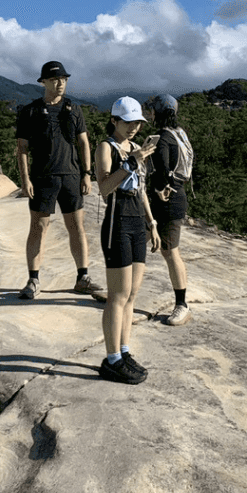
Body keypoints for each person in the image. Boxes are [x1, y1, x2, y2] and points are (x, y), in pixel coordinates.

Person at [15, 60, 104, 301]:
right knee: (38, 227)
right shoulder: (30, 111)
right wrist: (25, 180)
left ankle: (83, 278)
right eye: (54, 80)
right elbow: (22, 148)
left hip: (71, 176)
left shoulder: (74, 109)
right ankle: (33, 279)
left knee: (77, 227)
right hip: (42, 177)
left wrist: (87, 174)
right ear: (43, 82)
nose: (60, 83)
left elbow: (84, 142)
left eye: (63, 79)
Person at [94, 97, 160, 384]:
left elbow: (141, 189)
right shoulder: (106, 147)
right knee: (118, 296)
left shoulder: (135, 148)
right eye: (128, 122)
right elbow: (104, 188)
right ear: (114, 121)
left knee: (132, 294)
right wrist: (131, 163)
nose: (134, 127)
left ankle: (123, 351)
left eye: (138, 123)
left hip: (136, 219)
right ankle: (112, 360)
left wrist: (151, 222)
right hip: (117, 219)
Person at [144, 94, 192, 325]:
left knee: (170, 252)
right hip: (177, 196)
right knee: (144, 245)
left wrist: (157, 189)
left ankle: (182, 305)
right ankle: (120, 292)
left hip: (166, 200)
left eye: (152, 110)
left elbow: (161, 169)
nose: (150, 114)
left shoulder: (163, 138)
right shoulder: (179, 133)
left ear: (159, 112)